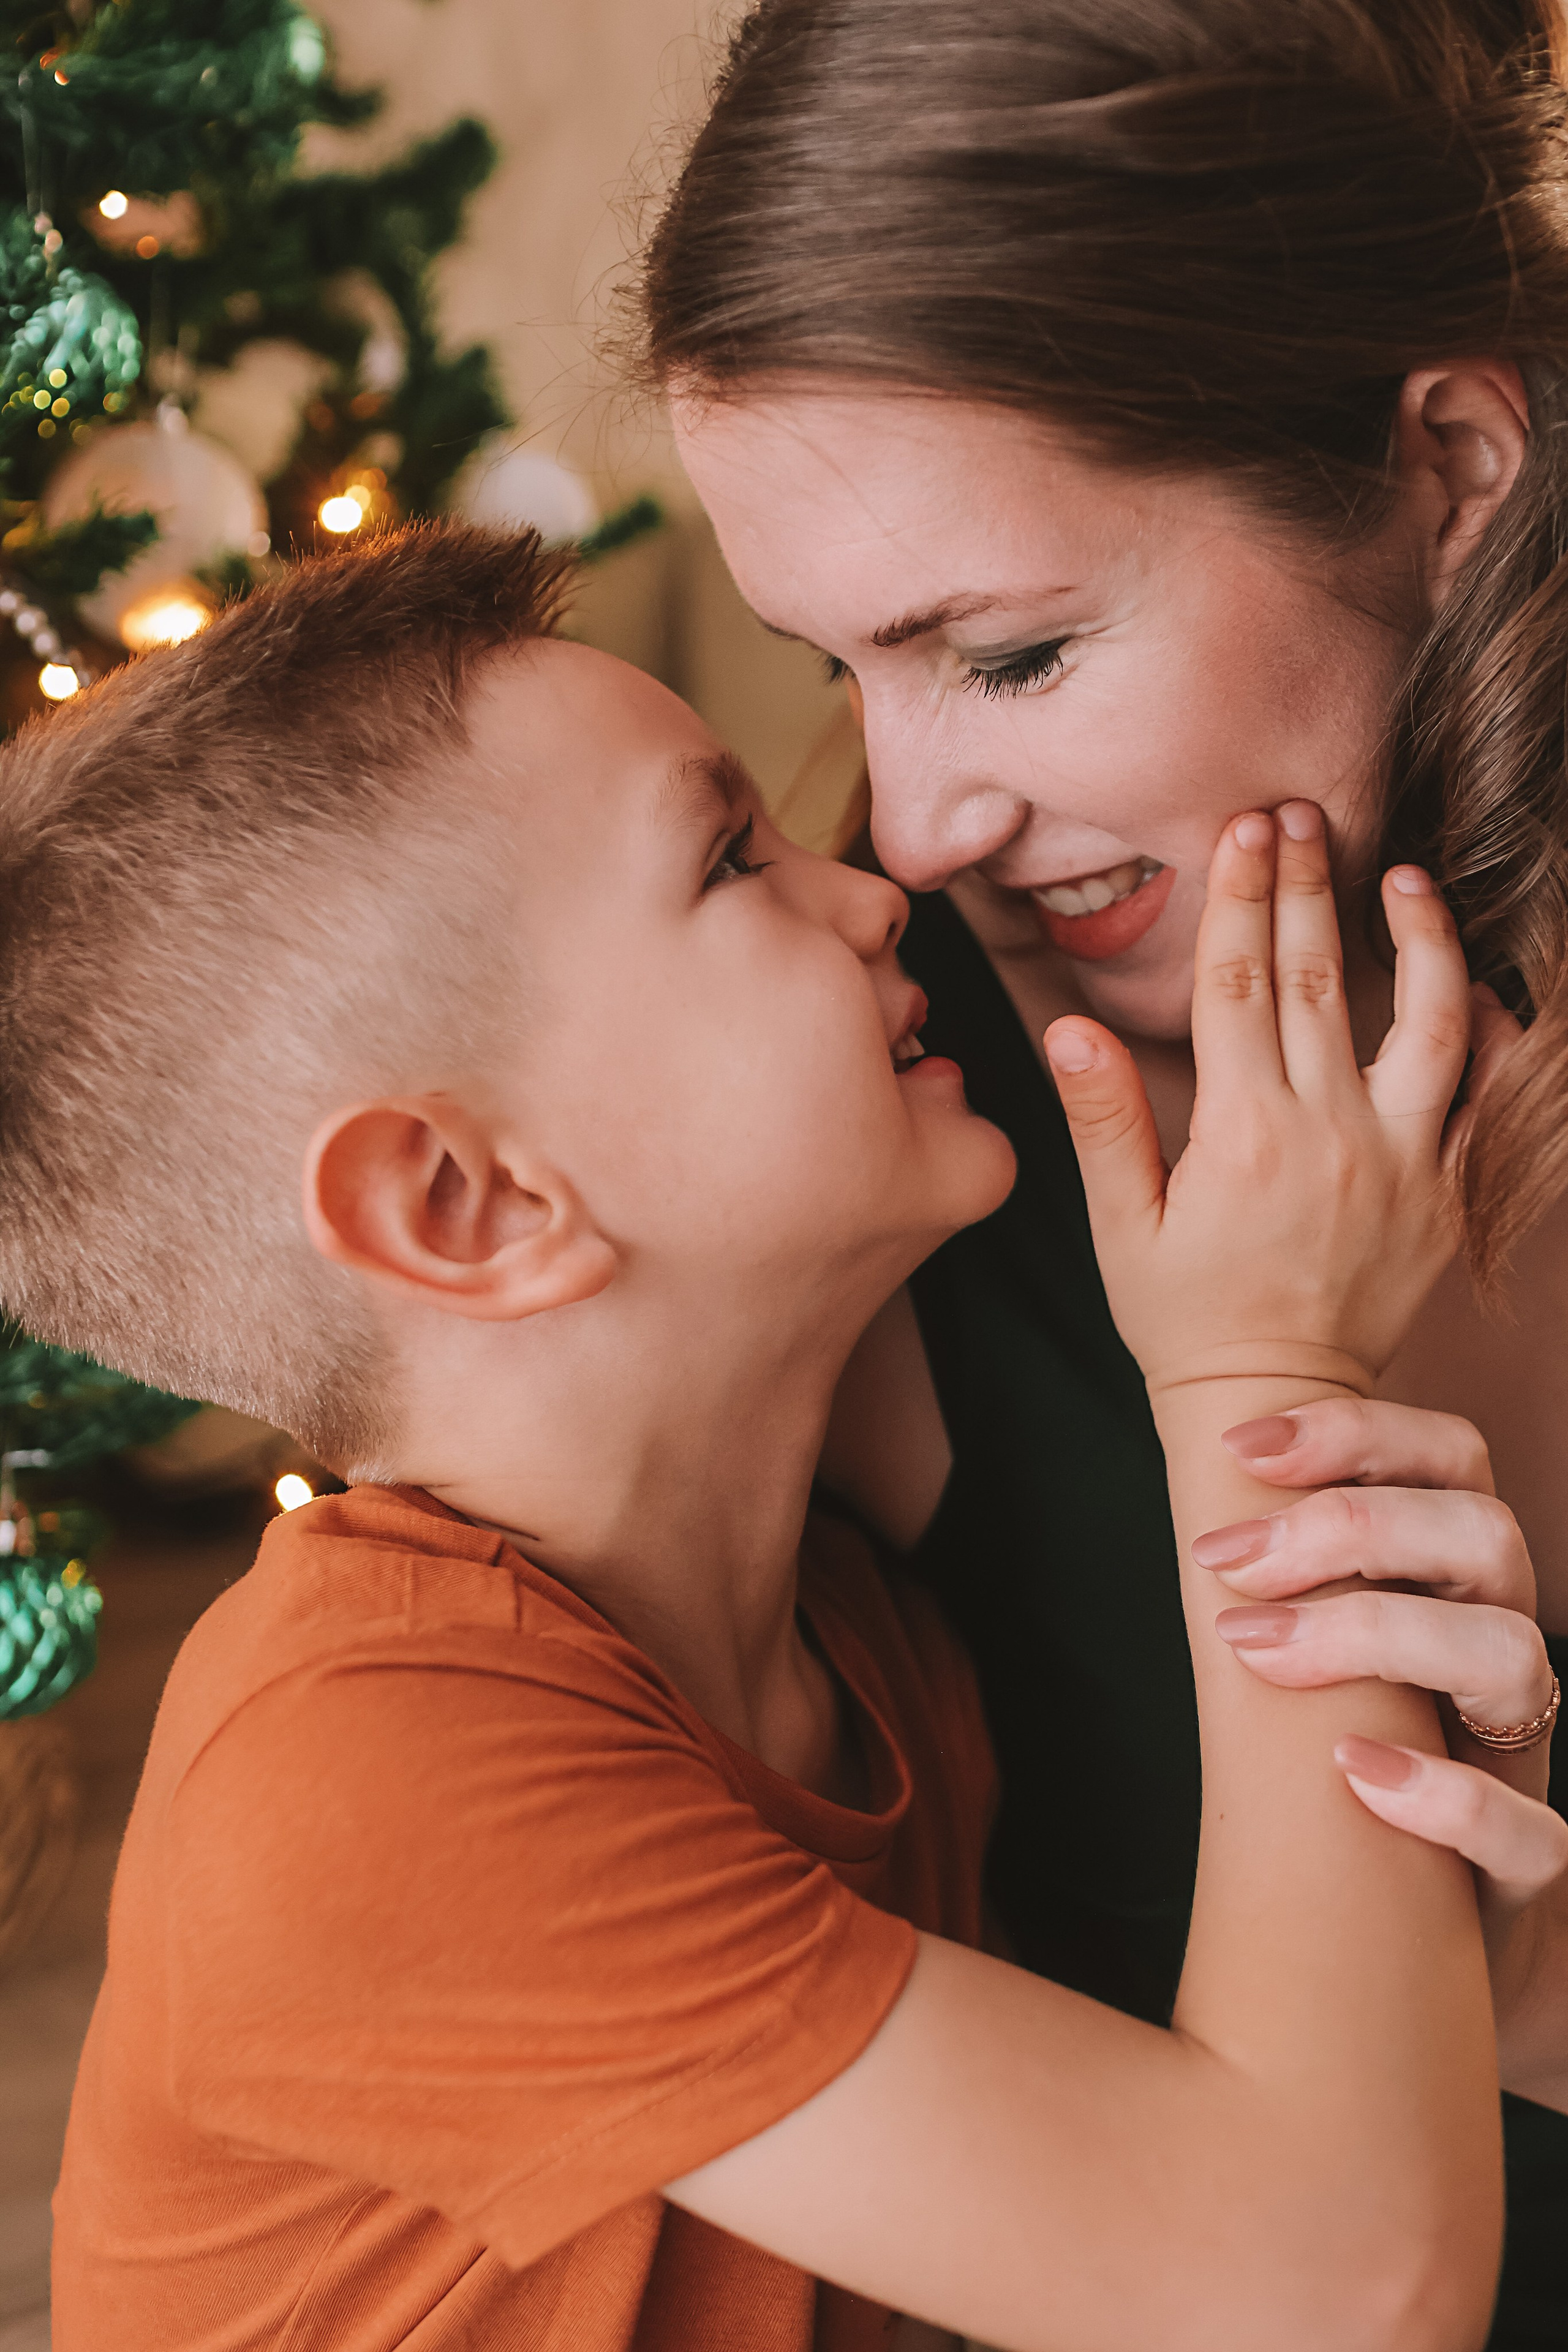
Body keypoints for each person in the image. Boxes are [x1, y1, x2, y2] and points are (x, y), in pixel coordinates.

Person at [1, 522, 1521, 2350]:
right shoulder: (352, 1772)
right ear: (468, 1203)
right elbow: (1337, 2294)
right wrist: (1268, 1368)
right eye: (732, 859)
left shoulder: (860, 1646)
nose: (878, 882)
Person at [633, 2, 1568, 2335]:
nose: (917, 819)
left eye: (1018, 655)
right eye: (837, 667)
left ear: (1449, 461)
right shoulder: (889, 1129)